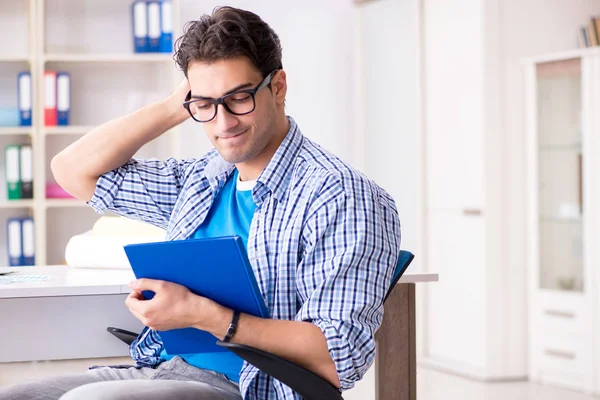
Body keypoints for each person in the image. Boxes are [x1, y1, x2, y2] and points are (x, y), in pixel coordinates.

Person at [0, 6, 401, 400]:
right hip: (161, 368)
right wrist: (174, 107)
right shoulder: (202, 179)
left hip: (248, 387)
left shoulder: (339, 195)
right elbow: (72, 171)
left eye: (239, 97)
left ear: (278, 87)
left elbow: (339, 355)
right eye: (205, 105)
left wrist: (203, 316)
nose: (223, 123)